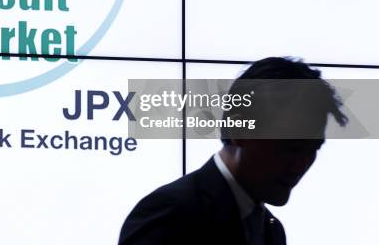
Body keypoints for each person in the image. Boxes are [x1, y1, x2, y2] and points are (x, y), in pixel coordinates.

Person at [118, 57, 348, 245]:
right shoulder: (172, 215)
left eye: (313, 150)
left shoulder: (272, 231)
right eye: (291, 148)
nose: (301, 165)